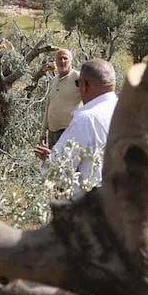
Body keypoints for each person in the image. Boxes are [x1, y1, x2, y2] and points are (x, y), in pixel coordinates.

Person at [34, 59, 118, 195]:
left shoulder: (86, 119)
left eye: (78, 84)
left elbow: (55, 173)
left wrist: (50, 161)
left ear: (84, 85)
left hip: (93, 205)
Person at [40, 48, 80, 148]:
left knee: (66, 162)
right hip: (52, 132)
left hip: (70, 131)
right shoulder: (53, 81)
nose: (62, 61)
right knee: (53, 162)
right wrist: (43, 132)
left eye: (65, 58)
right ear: (55, 61)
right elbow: (48, 106)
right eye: (59, 59)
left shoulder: (79, 78)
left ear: (71, 60)